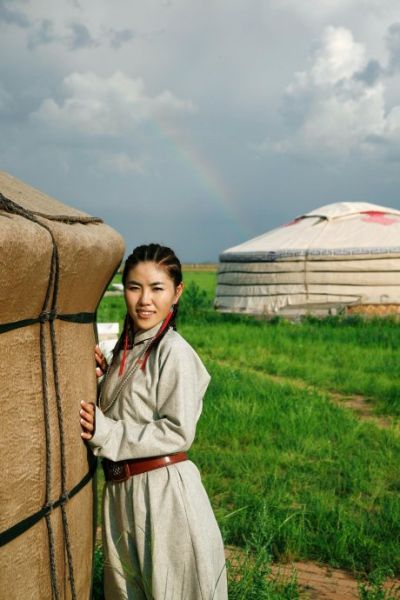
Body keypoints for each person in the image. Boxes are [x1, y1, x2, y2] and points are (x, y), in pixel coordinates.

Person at [80, 243, 227, 600]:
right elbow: (131, 407)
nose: (145, 300)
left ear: (177, 293)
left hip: (162, 496)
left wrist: (107, 430)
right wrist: (101, 378)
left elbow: (179, 431)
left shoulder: (174, 352)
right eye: (134, 287)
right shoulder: (127, 350)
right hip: (120, 495)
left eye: (157, 288)